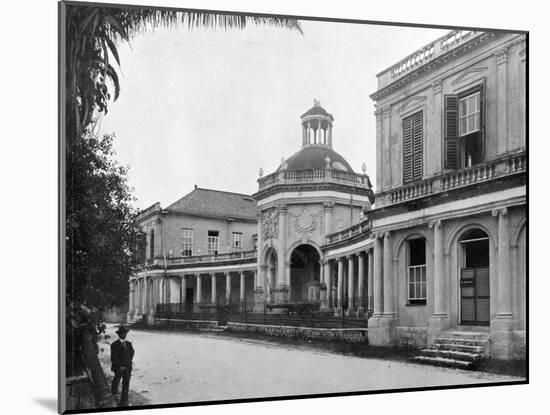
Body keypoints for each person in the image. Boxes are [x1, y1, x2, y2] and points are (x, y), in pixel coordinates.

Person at [110, 326, 134, 406]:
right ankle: (114, 395)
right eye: (122, 333)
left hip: (127, 367)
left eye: (125, 333)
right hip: (118, 367)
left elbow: (132, 353)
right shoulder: (114, 345)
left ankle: (124, 400)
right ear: (119, 334)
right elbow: (114, 357)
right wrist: (120, 366)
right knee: (116, 381)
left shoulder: (128, 344)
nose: (124, 335)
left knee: (126, 383)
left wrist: (128, 363)